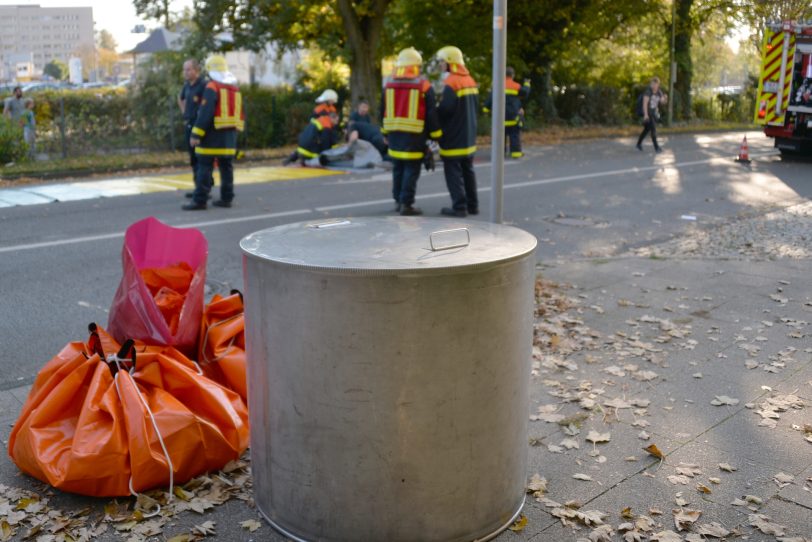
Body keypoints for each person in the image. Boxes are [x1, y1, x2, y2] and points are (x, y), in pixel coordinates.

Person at [380, 47, 441, 216]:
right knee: (411, 170)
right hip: (415, 136)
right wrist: (435, 135)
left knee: (398, 168)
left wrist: (384, 133)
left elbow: (382, 109)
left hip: (394, 134)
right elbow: (431, 113)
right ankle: (406, 204)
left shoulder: (388, 83)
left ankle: (398, 200)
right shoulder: (423, 85)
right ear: (415, 66)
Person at [183, 55, 244, 211]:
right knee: (226, 168)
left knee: (204, 167)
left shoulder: (212, 87)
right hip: (229, 137)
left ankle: (200, 200)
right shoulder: (234, 88)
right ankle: (226, 198)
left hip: (211, 137)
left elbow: (205, 113)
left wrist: (196, 134)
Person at [436, 45, 479, 217]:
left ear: (450, 63)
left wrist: (434, 112)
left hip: (453, 136)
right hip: (469, 136)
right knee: (468, 170)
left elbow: (445, 110)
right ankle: (472, 205)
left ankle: (459, 207)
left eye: (442, 61)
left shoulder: (451, 82)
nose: (440, 65)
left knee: (453, 171)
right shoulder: (470, 80)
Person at [178, 59, 209, 198]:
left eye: (189, 69)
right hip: (189, 125)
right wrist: (185, 113)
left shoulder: (203, 85)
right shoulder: (187, 85)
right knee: (193, 159)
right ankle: (199, 187)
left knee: (201, 158)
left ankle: (204, 188)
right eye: (185, 69)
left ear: (197, 71)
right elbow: (180, 98)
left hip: (200, 127)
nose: (186, 72)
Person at [484, 67, 531, 158]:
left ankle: (501, 153)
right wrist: (527, 83)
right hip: (513, 116)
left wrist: (486, 109)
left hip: (500, 117)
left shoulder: (498, 85)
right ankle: (516, 153)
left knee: (501, 136)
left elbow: (490, 99)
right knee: (514, 135)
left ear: (503, 75)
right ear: (513, 75)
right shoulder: (515, 85)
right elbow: (525, 93)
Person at [636, 77, 667, 153]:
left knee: (647, 129)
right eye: (652, 84)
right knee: (653, 129)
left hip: (653, 114)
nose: (653, 86)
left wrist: (665, 98)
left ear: (658, 85)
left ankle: (638, 144)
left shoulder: (659, 92)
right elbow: (645, 104)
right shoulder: (648, 92)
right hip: (647, 113)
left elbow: (662, 102)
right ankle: (656, 147)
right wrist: (646, 115)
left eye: (655, 84)